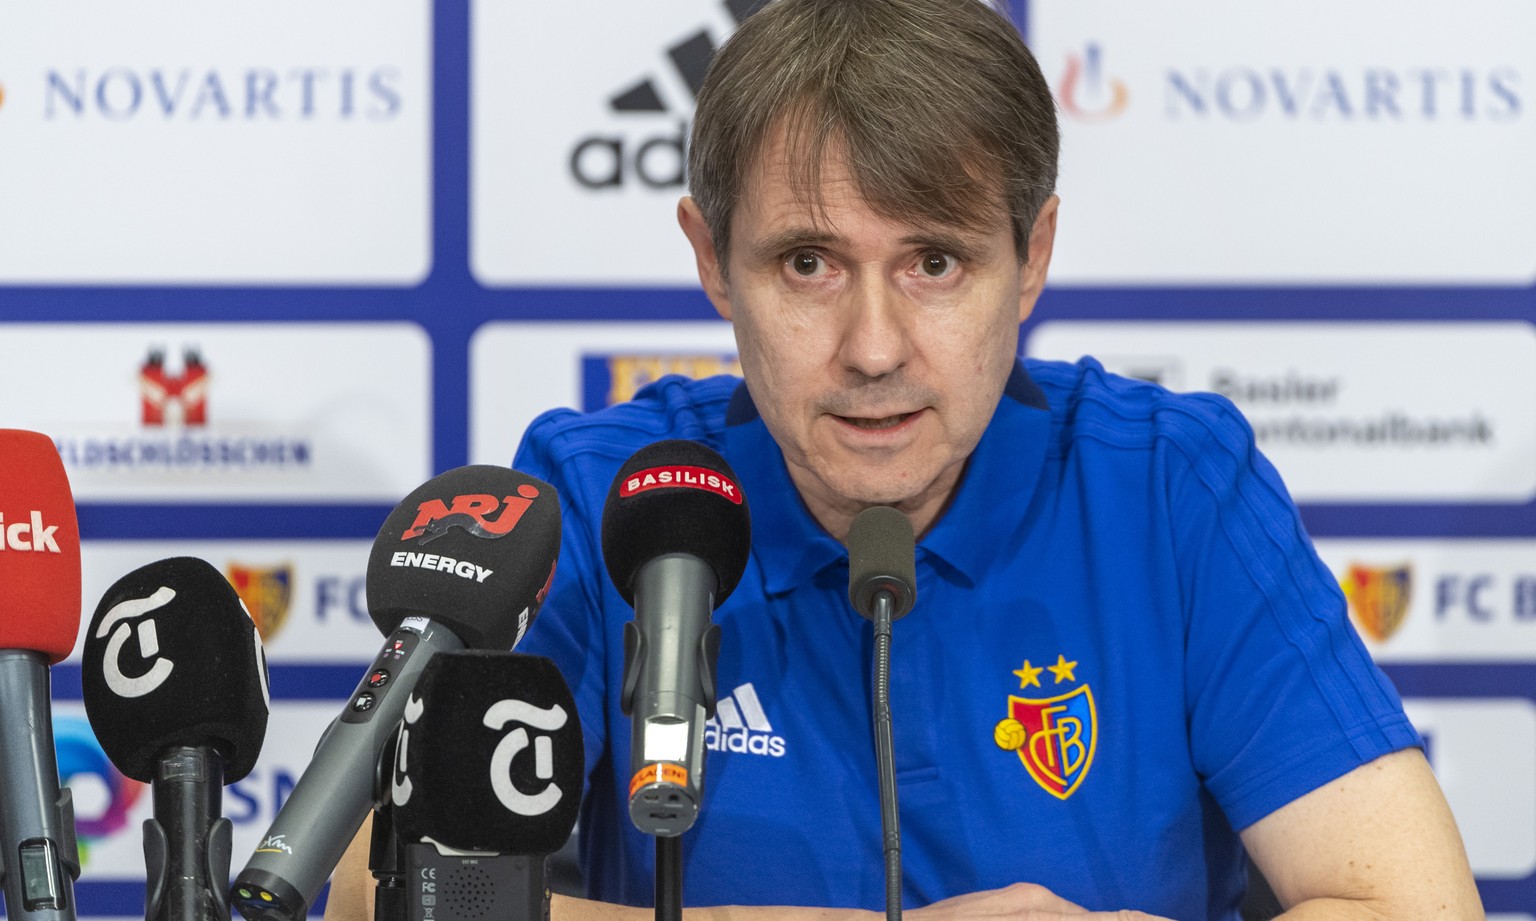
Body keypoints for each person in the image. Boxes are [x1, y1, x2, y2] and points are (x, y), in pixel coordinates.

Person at [327, 0, 1481, 918]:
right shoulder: (610, 496)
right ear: (712, 262)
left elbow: (1415, 903)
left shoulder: (1172, 489)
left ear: (1031, 260)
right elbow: (387, 892)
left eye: (934, 263)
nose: (874, 349)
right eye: (808, 265)